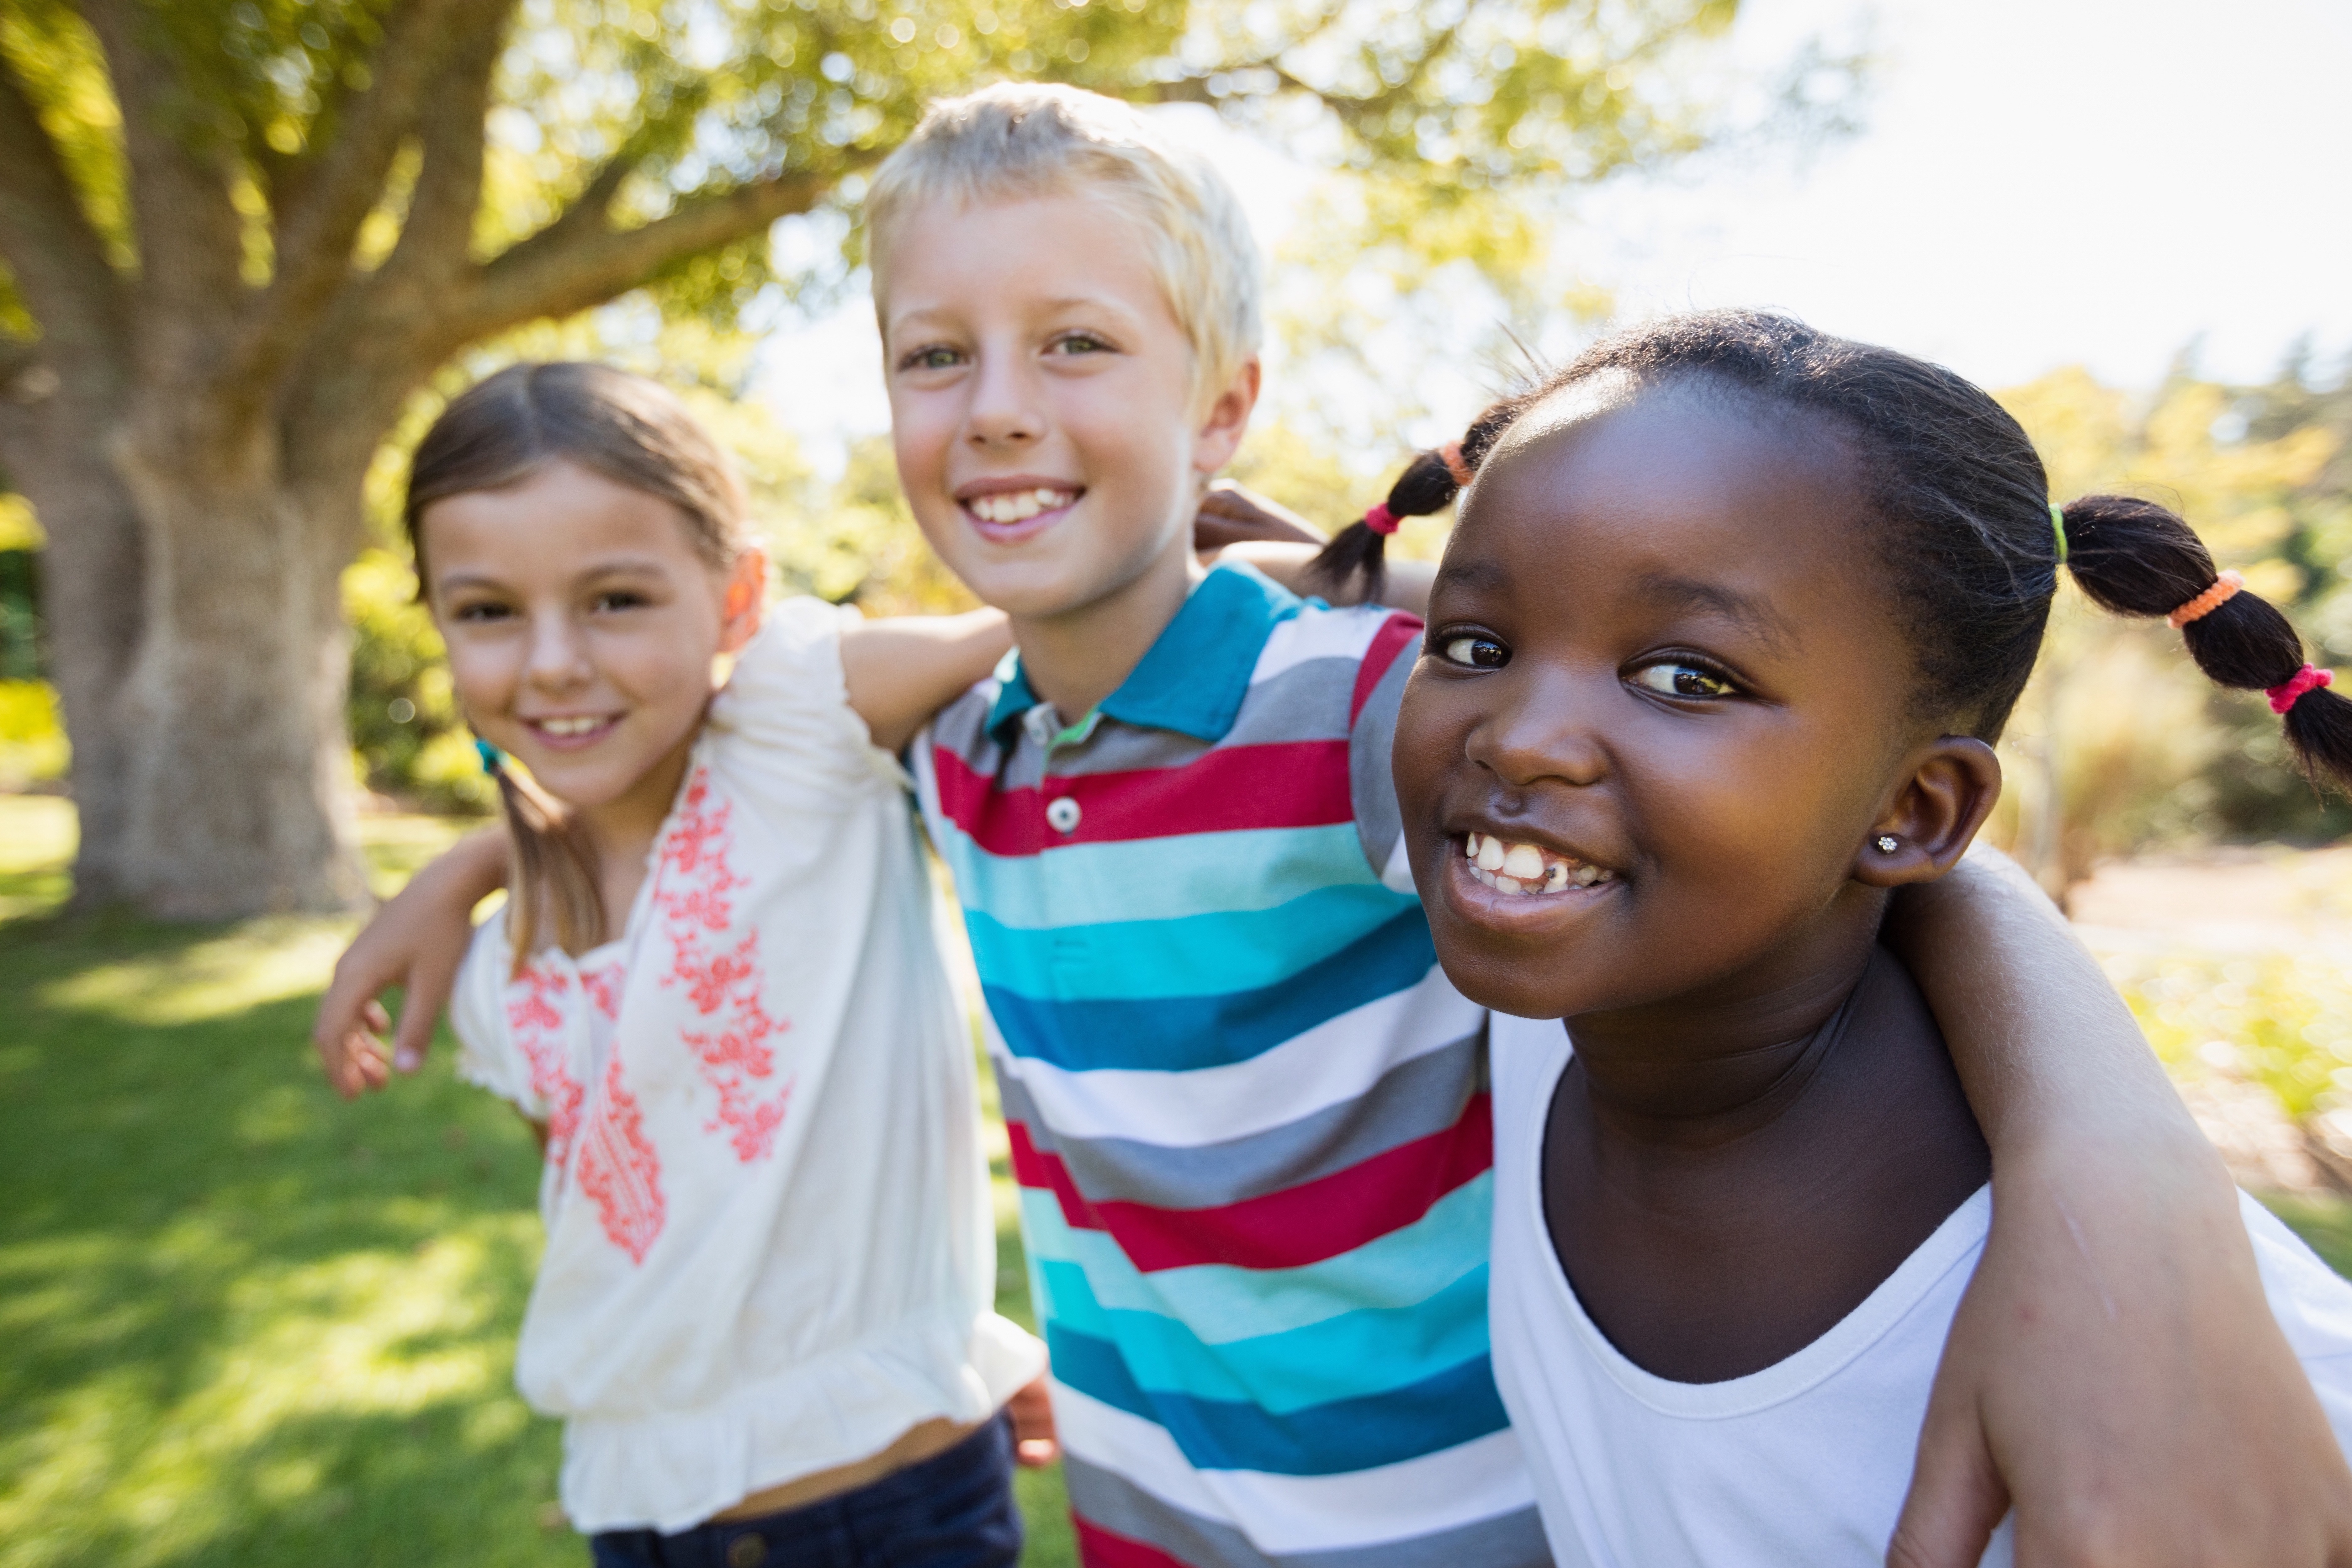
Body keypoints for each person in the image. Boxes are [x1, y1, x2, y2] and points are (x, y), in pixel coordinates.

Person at [320, 84, 2352, 1568]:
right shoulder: (965, 751)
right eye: (935, 356)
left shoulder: (1369, 712)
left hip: (1446, 1530)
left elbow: (1778, 846)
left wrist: (2126, 1207)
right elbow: (643, 745)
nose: (997, 405)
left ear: (1223, 411)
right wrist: (467, 862)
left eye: (1077, 345)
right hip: (1141, 1519)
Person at [1374, 309, 2352, 1566]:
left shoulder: (2211, 1396)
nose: (1515, 733)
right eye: (1476, 644)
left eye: (1685, 677)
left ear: (1915, 808)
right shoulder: (1570, 980)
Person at [314, 361, 1052, 1566]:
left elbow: (1066, 608)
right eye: (488, 611)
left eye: (614, 600)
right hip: (638, 1515)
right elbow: (639, 1232)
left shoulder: (799, 734)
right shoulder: (506, 980)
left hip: (890, 1508)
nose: (551, 661)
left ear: (737, 597)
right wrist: (469, 869)